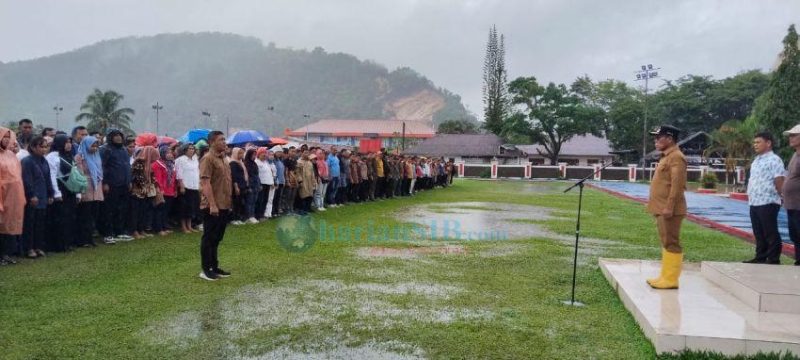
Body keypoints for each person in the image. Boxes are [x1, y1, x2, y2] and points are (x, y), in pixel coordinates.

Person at [645, 125, 687, 289]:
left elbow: (677, 185)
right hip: (661, 207)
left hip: (669, 209)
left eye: (659, 137)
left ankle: (671, 279)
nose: (655, 141)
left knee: (671, 242)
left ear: (669, 139)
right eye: (655, 138)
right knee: (666, 241)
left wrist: (669, 207)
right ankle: (665, 276)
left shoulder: (676, 157)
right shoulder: (666, 156)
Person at [744, 132, 786, 264]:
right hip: (754, 201)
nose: (755, 145)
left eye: (758, 142)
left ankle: (773, 258)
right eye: (754, 142)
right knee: (758, 232)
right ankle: (760, 256)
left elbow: (779, 179)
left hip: (768, 201)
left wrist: (782, 195)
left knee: (770, 231)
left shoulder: (775, 160)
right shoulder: (756, 160)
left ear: (768, 143)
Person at [198, 131, 233, 281]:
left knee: (217, 238)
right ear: (212, 142)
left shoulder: (224, 158)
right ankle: (205, 269)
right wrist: (212, 204)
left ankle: (214, 266)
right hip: (212, 205)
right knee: (209, 237)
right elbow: (205, 183)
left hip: (224, 203)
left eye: (224, 139)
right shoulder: (207, 159)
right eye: (221, 140)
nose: (225, 142)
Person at [21, 136, 54, 258]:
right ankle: (29, 248)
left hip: (43, 195)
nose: (44, 149)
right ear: (33, 147)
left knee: (40, 223)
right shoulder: (27, 161)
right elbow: (26, 180)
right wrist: (31, 195)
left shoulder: (44, 161)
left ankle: (38, 247)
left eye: (46, 147)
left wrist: (50, 193)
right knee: (30, 223)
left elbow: (48, 178)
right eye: (41, 147)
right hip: (32, 197)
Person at [46, 134, 79, 251]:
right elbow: (52, 176)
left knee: (70, 216)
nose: (68, 145)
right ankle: (59, 244)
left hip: (71, 188)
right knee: (61, 217)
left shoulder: (69, 155)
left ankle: (68, 242)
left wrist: (78, 192)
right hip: (60, 188)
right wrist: (56, 193)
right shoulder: (53, 156)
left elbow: (75, 174)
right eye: (66, 142)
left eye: (70, 142)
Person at [100, 129, 132, 243]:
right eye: (115, 135)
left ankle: (120, 232)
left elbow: (127, 166)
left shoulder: (123, 149)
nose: (118, 137)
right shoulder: (105, 149)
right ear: (110, 137)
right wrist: (105, 182)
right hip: (111, 184)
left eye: (120, 135)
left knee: (122, 209)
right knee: (109, 210)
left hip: (124, 184)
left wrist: (129, 181)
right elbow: (102, 166)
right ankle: (108, 234)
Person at [0, 127, 25, 265]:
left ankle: (7, 253)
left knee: (10, 224)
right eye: (4, 136)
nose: (7, 139)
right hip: (2, 194)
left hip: (14, 194)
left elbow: (18, 175)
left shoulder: (11, 155)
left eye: (8, 137)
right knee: (1, 224)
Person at [75, 135, 103, 247]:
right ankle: (83, 240)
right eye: (92, 146)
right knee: (85, 215)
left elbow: (99, 171)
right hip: (86, 187)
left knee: (93, 215)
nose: (95, 148)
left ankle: (90, 238)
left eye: (96, 146)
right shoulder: (79, 157)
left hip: (97, 187)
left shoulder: (96, 155)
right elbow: (79, 174)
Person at [129, 146, 160, 239]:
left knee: (143, 211)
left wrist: (155, 185)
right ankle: (134, 231)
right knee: (135, 212)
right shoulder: (139, 162)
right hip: (137, 191)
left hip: (145, 192)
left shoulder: (149, 164)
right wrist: (144, 185)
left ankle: (141, 229)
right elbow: (136, 177)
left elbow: (152, 177)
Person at [782, 125, 800, 265]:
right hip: (791, 204)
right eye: (790, 135)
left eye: (794, 135)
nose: (790, 138)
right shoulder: (795, 155)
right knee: (794, 234)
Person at [152, 145, 177, 236]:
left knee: (166, 210)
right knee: (160, 210)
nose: (170, 154)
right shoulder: (157, 164)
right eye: (167, 153)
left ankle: (164, 226)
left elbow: (174, 178)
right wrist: (161, 189)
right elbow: (158, 178)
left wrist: (175, 189)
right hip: (162, 191)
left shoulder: (171, 164)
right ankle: (158, 228)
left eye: (170, 152)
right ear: (162, 153)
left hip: (170, 191)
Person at [175, 143, 200, 234]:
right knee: (184, 207)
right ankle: (183, 226)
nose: (192, 150)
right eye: (190, 148)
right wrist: (181, 186)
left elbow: (197, 172)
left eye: (193, 149)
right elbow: (179, 174)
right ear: (185, 150)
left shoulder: (195, 159)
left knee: (191, 207)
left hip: (194, 186)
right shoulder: (180, 160)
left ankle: (189, 226)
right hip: (185, 186)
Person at [229, 148, 248, 225]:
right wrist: (236, 186)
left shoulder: (241, 162)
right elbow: (234, 176)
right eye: (239, 153)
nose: (241, 155)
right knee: (236, 202)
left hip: (242, 184)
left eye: (242, 153)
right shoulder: (233, 163)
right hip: (236, 185)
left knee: (240, 202)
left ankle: (238, 217)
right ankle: (234, 218)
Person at [255, 147, 274, 220]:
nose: (264, 155)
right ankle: (258, 215)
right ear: (258, 154)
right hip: (261, 183)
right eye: (262, 153)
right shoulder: (257, 162)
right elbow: (257, 174)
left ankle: (262, 214)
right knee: (260, 200)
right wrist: (259, 184)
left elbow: (270, 173)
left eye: (265, 153)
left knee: (265, 200)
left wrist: (272, 182)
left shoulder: (266, 163)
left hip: (268, 183)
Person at [272, 149, 286, 216]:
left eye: (280, 152)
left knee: (278, 197)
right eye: (278, 152)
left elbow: (282, 172)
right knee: (274, 197)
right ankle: (273, 211)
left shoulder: (280, 161)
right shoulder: (273, 161)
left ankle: (277, 210)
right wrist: (276, 181)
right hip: (276, 182)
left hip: (281, 181)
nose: (280, 153)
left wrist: (283, 180)